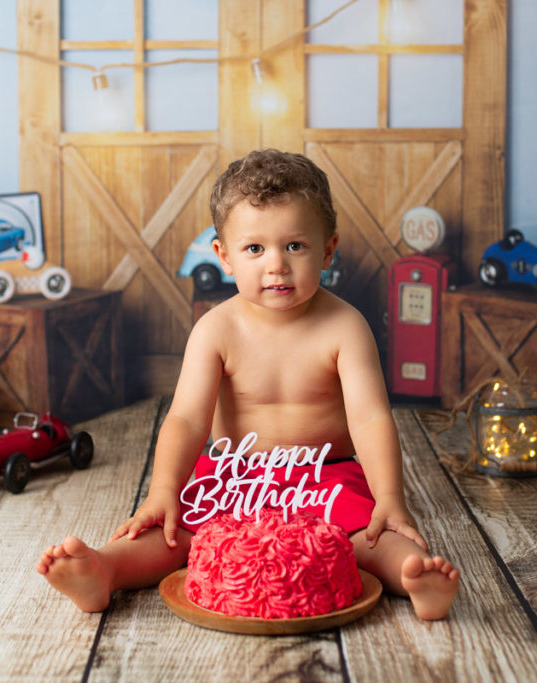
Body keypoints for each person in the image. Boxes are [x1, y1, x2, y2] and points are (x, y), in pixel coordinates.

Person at [36, 149, 460, 620]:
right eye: (255, 249)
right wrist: (162, 491)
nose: (276, 265)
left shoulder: (345, 327)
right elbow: (186, 419)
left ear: (327, 249)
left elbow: (370, 418)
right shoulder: (216, 329)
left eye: (295, 246)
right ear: (225, 257)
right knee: (178, 533)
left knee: (368, 537)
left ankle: (414, 575)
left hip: (324, 476)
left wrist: (391, 499)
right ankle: (104, 570)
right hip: (236, 475)